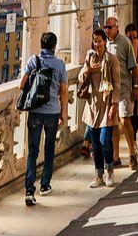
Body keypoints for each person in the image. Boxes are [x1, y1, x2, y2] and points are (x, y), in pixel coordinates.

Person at [20, 31, 68, 207]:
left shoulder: (33, 61)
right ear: (54, 46)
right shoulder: (60, 65)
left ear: (41, 45)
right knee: (49, 149)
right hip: (52, 113)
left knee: (33, 151)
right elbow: (63, 91)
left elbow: (21, 84)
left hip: (35, 112)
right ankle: (45, 184)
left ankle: (29, 190)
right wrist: (63, 112)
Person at [78, 29, 121, 187]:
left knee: (105, 141)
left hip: (107, 103)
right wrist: (88, 70)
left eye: (100, 41)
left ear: (105, 42)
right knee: (94, 142)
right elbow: (80, 77)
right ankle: (98, 174)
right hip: (92, 105)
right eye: (95, 41)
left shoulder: (111, 59)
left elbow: (117, 84)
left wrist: (114, 105)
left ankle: (109, 169)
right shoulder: (90, 57)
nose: (97, 44)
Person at [104, 16, 138, 170]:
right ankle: (115, 157)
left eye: (110, 27)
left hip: (124, 87)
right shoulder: (104, 44)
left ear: (117, 27)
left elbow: (133, 67)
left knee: (125, 120)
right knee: (113, 123)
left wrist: (135, 87)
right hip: (109, 90)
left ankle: (132, 154)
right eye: (106, 27)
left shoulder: (125, 43)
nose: (107, 30)